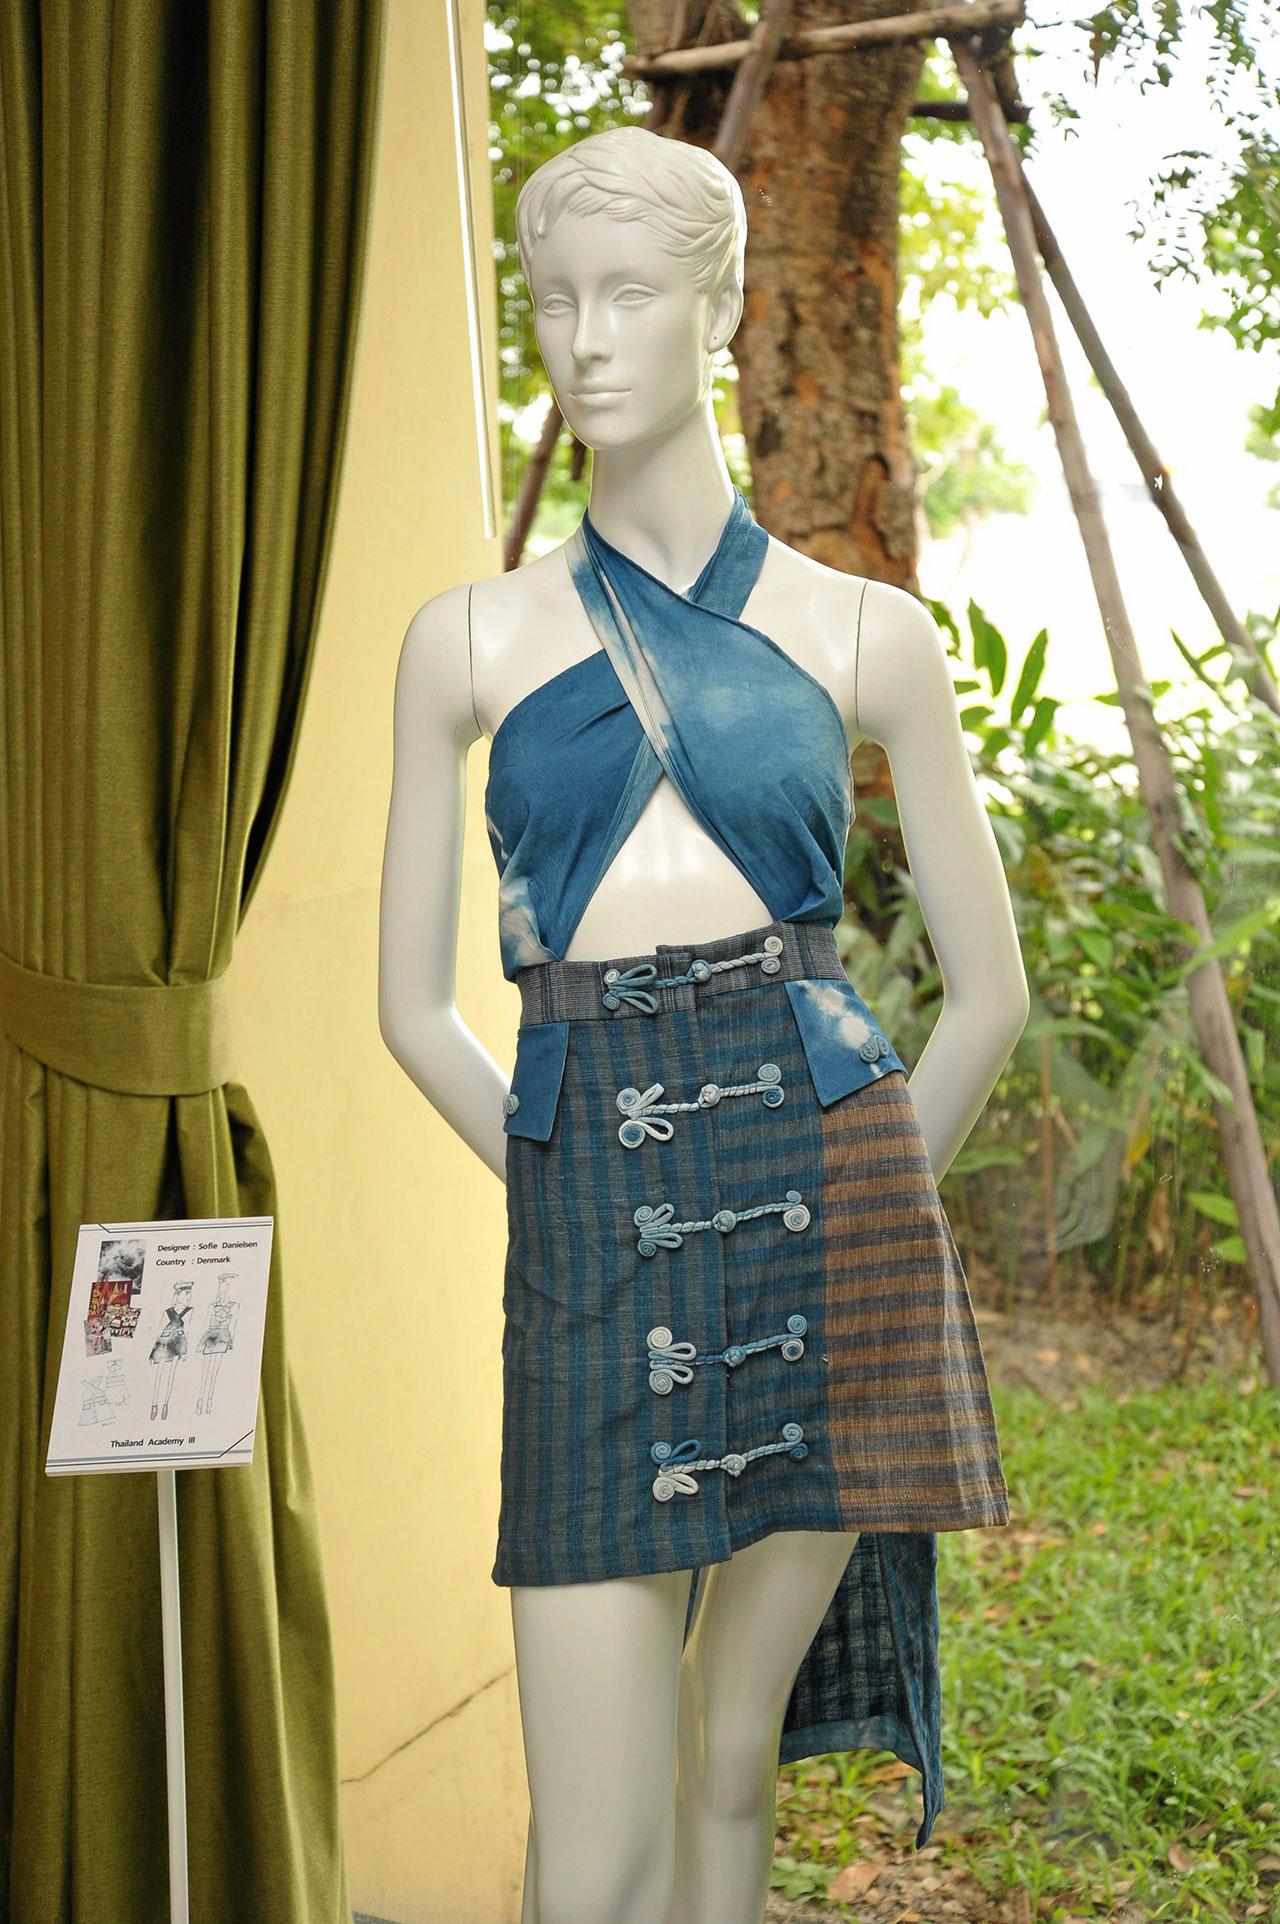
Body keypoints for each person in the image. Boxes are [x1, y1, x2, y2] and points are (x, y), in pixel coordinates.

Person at [379, 124, 1027, 1924]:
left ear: (723, 307)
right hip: (594, 1232)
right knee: (594, 1851)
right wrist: (559, 1184)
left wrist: (871, 1190)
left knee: (732, 1753)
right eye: (552, 300)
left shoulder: (869, 633)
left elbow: (991, 993)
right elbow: (410, 1010)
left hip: (833, 1220)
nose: (584, 340)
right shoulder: (467, 640)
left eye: (630, 295)